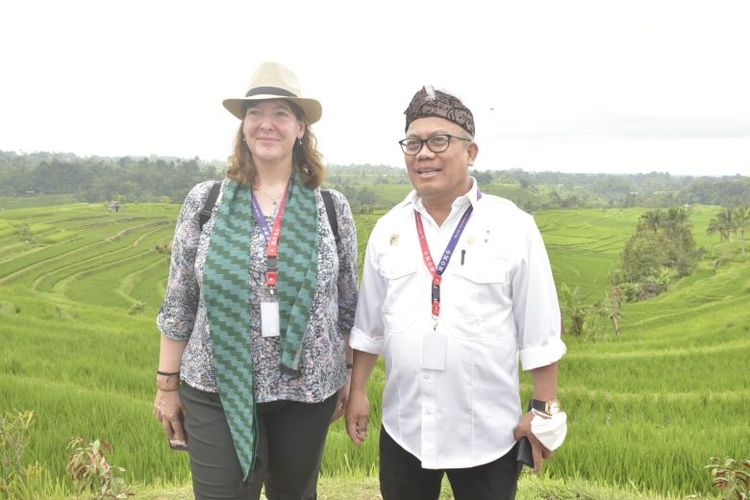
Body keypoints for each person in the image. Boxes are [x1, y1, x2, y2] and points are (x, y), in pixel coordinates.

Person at [345, 86, 567, 500]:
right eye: (413, 143)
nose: (423, 153)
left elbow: (539, 332)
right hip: (404, 426)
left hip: (487, 432)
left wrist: (544, 409)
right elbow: (369, 326)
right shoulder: (388, 229)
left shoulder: (514, 227)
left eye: (439, 140)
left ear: (471, 151)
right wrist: (357, 391)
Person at [153, 61, 358, 500]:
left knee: (294, 495)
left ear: (301, 128)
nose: (267, 123)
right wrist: (166, 387)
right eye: (255, 113)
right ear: (243, 127)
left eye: (281, 113)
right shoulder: (205, 201)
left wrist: (346, 375)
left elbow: (346, 307)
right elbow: (180, 302)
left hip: (307, 390)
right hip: (215, 386)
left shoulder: (332, 208)